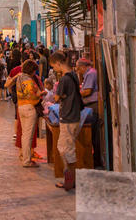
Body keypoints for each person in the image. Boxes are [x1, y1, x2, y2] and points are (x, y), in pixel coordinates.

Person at [50, 51, 84, 190]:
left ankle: (68, 174)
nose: (54, 69)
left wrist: (60, 95)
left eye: (54, 66)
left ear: (58, 63)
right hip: (75, 114)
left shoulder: (64, 79)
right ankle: (70, 176)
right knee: (64, 146)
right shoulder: (74, 75)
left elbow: (56, 98)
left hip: (68, 116)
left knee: (66, 148)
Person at [7, 60, 44, 167]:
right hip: (29, 109)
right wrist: (41, 94)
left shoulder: (19, 78)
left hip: (21, 107)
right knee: (28, 136)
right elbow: (34, 98)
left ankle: (24, 155)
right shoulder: (30, 81)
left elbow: (8, 85)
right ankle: (27, 161)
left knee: (24, 135)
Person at [77, 58, 103, 168]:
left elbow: (87, 91)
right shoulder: (90, 73)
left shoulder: (91, 74)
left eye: (79, 69)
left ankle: (96, 159)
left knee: (93, 133)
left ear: (83, 66)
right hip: (91, 105)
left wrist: (76, 95)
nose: (79, 71)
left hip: (93, 106)